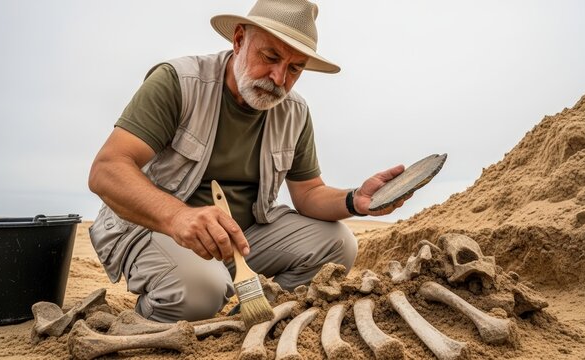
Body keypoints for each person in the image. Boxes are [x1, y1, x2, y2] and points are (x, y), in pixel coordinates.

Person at [88, 0, 409, 323]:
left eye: (295, 68)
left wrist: (356, 199)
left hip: (242, 236)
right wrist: (177, 217)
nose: (279, 78)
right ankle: (151, 318)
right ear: (239, 39)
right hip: (156, 228)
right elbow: (107, 170)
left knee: (339, 244)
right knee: (202, 292)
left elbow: (309, 193)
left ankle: (247, 319)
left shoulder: (294, 112)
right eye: (270, 57)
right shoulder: (178, 82)